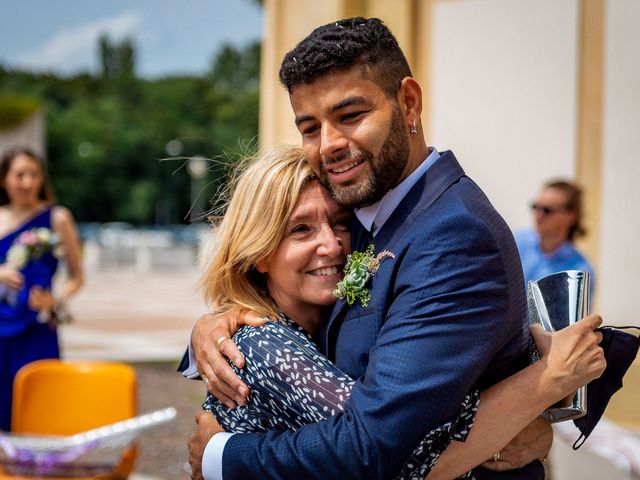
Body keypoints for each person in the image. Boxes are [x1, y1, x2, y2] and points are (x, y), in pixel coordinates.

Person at [183, 18, 604, 479]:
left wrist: (221, 456)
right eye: (309, 127)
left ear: (408, 103)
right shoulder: (366, 212)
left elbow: (378, 448)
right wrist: (212, 325)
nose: (329, 145)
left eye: (349, 116)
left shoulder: (454, 235)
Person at [0, 148, 84, 431]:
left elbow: (77, 277)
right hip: (1, 326)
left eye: (34, 174)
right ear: (4, 179)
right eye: (19, 175)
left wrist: (56, 300)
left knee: (40, 408)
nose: (27, 182)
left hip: (38, 328)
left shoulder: (57, 218)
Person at [515, 179, 595, 295]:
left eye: (547, 210)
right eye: (536, 207)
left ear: (571, 216)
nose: (539, 215)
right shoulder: (517, 242)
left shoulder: (579, 271)